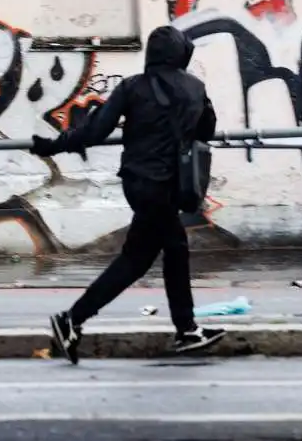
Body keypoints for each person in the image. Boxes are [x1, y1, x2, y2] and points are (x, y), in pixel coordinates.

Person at [29, 25, 225, 365]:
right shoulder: (195, 88)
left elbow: (95, 130)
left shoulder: (132, 87)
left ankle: (181, 328)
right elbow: (206, 129)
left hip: (139, 184)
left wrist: (53, 146)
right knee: (152, 255)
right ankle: (76, 320)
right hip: (169, 187)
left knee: (156, 253)